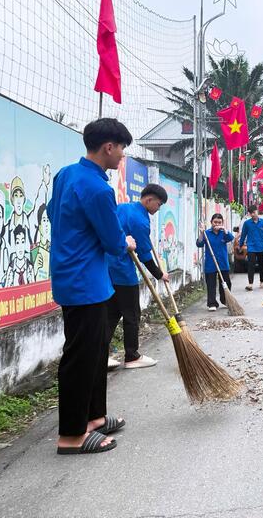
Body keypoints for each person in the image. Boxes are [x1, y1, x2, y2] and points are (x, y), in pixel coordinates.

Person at [48, 118, 136, 454]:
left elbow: (54, 214)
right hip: (84, 282)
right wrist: (126, 241)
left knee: (97, 352)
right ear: (108, 147)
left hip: (81, 278)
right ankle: (71, 435)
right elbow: (113, 242)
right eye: (121, 149)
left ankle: (94, 417)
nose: (122, 157)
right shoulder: (99, 189)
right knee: (81, 357)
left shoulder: (67, 174)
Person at [105, 183, 168, 370]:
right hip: (123, 272)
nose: (159, 208)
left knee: (112, 314)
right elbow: (145, 255)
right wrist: (159, 274)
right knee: (132, 314)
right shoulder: (140, 220)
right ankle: (132, 356)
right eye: (158, 204)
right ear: (149, 200)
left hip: (107, 269)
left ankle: (101, 355)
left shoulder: (124, 207)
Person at [197, 213, 234, 312]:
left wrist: (224, 229)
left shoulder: (224, 233)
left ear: (222, 223)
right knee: (211, 284)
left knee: (226, 283)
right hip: (211, 263)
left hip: (223, 263)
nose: (217, 224)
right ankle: (212, 303)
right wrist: (201, 233)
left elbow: (231, 238)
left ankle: (225, 300)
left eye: (219, 222)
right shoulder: (207, 233)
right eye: (215, 222)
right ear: (211, 222)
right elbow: (199, 244)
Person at [238, 205, 263, 291]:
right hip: (251, 247)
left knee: (262, 265)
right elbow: (243, 235)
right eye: (251, 213)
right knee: (251, 265)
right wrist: (240, 245)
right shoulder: (247, 224)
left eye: (254, 212)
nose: (253, 214)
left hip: (262, 247)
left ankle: (262, 281)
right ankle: (250, 284)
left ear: (257, 211)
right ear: (249, 214)